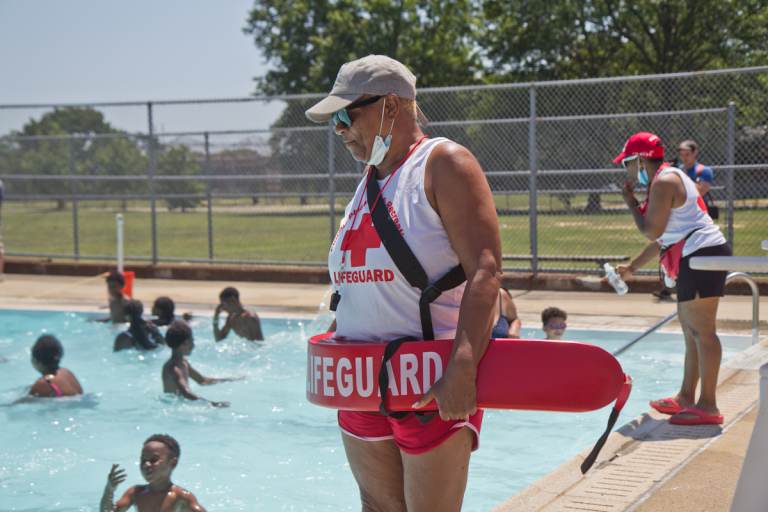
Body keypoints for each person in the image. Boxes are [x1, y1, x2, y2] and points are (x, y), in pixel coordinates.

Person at [305, 54, 502, 511]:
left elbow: (486, 269)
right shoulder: (370, 180)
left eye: (345, 115)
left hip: (428, 380)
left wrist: (463, 367)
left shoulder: (443, 163)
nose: (339, 129)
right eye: (334, 121)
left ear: (390, 106)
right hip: (360, 381)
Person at [614, 131, 730, 426]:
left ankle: (708, 405)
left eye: (628, 163)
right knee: (691, 332)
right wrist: (632, 268)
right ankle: (686, 397)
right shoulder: (667, 177)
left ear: (640, 160)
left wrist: (630, 203)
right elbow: (663, 238)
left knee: (703, 332)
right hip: (696, 254)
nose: (627, 170)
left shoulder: (665, 181)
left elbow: (651, 231)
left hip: (702, 255)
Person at [99, 434, 207, 512]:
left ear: (173, 463)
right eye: (143, 460)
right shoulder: (135, 493)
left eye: (153, 460)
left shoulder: (180, 497)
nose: (146, 464)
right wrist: (109, 490)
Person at [162, 320, 233, 408]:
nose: (193, 345)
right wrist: (213, 404)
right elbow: (186, 393)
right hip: (173, 407)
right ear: (185, 343)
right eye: (192, 340)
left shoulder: (183, 362)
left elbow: (202, 380)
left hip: (179, 405)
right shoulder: (174, 369)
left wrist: (228, 380)